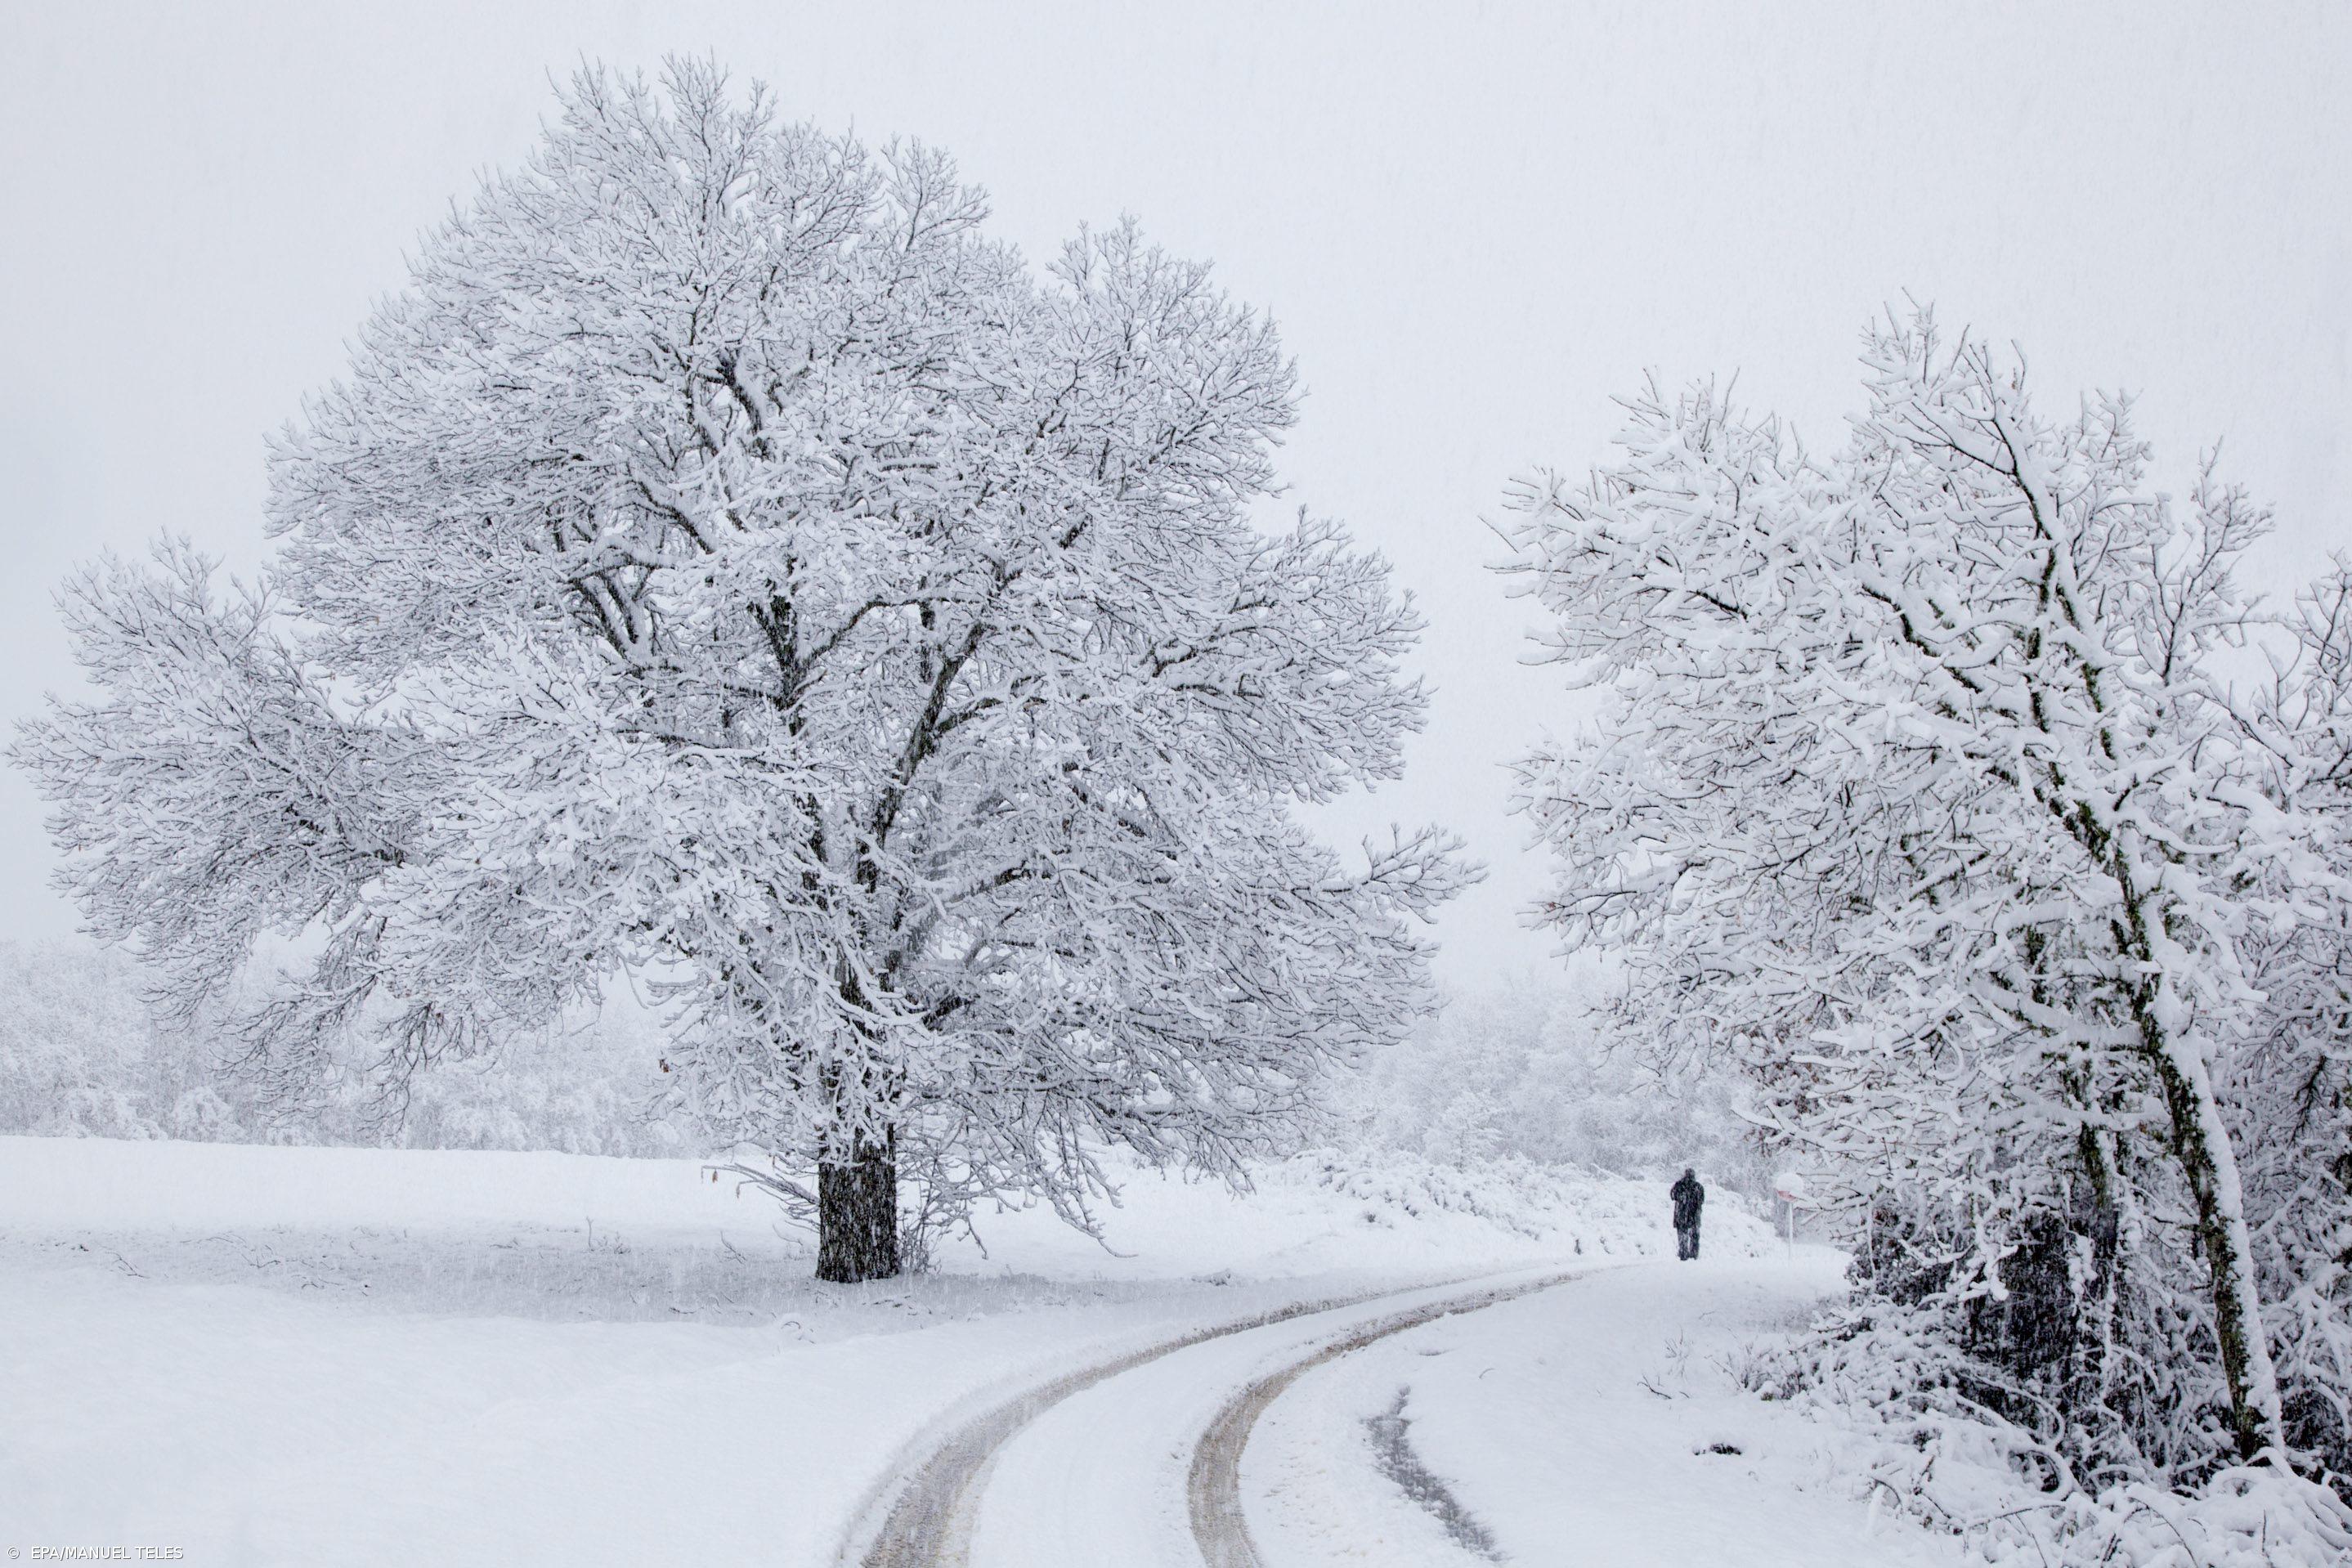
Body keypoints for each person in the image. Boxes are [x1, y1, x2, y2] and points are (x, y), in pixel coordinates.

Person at [1671, 1167, 1705, 1261]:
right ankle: (1694, 1254)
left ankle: (1683, 1253)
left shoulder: (1679, 1185)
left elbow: (1672, 1196)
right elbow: (1702, 1200)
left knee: (1682, 1235)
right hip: (1694, 1215)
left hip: (1681, 1215)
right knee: (1694, 1236)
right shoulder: (1698, 1187)